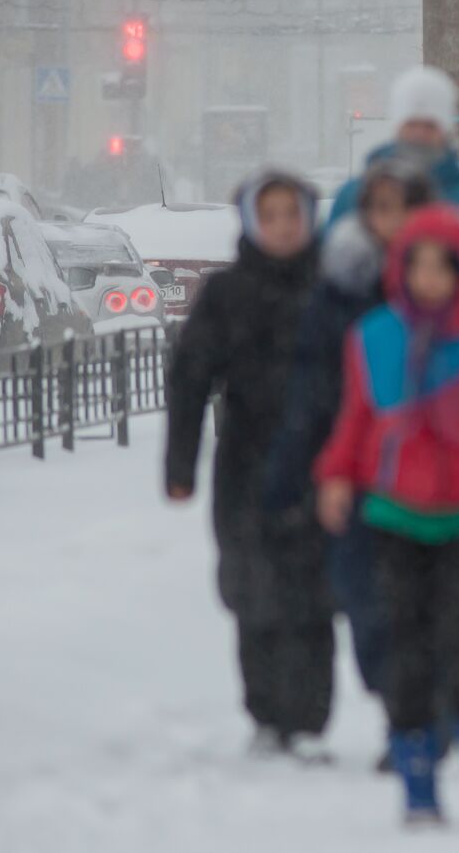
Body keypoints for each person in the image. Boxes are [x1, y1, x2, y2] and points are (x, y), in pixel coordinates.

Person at [314, 207, 459, 824]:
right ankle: (416, 776)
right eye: (419, 266)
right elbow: (357, 419)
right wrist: (336, 475)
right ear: (400, 270)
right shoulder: (374, 337)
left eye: (444, 267)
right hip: (391, 515)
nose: (430, 279)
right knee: (402, 647)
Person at [263, 157, 433, 770]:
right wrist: (287, 477)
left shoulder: (446, 281)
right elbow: (312, 393)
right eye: (381, 208)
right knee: (365, 604)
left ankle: (413, 723)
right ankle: (399, 706)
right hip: (361, 477)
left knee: (423, 604)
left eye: (404, 206)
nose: (393, 221)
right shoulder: (340, 289)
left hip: (435, 479)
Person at [165, 170, 332, 759]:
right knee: (254, 592)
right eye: (272, 215)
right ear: (252, 222)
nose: (284, 226)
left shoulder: (332, 288)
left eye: (293, 214)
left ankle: (310, 721)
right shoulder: (227, 293)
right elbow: (190, 380)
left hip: (324, 468)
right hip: (247, 468)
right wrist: (180, 466)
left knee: (315, 597)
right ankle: (266, 715)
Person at [327, 66, 459, 229]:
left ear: (445, 129)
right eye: (411, 124)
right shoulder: (354, 196)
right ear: (397, 126)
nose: (419, 133)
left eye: (429, 125)